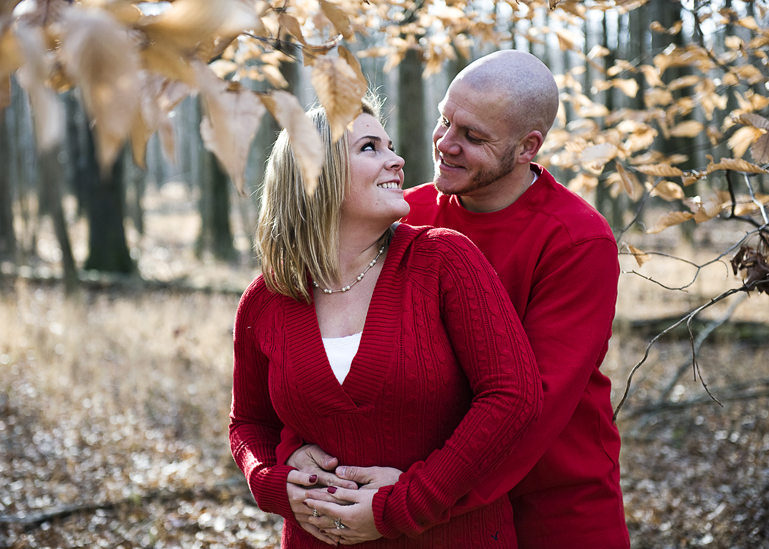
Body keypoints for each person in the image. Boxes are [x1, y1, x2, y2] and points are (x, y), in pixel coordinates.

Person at [290, 51, 630, 548]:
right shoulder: (404, 215)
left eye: (472, 136)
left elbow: (531, 406)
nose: (445, 144)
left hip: (554, 505)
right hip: (436, 504)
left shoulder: (576, 242)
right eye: (445, 120)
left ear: (526, 148)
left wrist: (410, 499)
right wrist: (296, 448)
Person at [229, 96, 542, 547]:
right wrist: (271, 484)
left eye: (390, 146)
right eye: (370, 148)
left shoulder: (443, 260)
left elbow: (513, 396)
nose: (398, 160)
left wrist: (406, 503)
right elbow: (248, 424)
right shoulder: (266, 300)